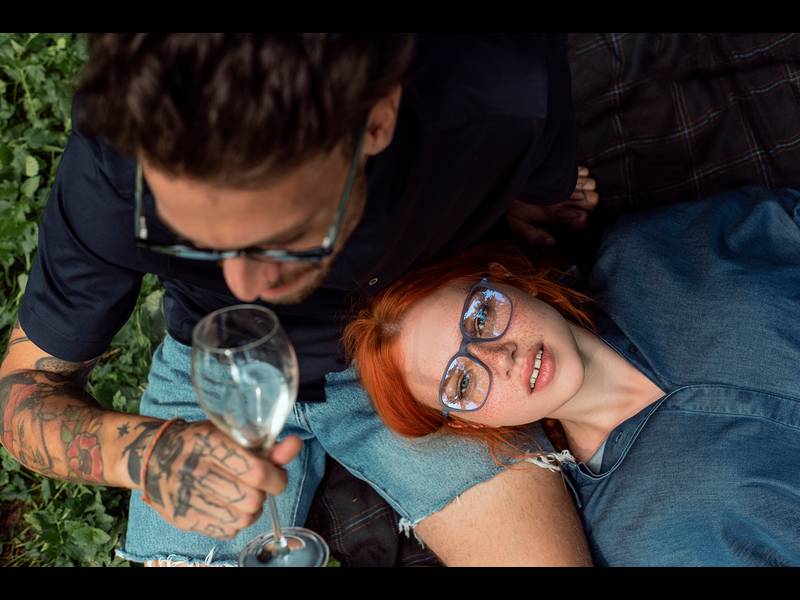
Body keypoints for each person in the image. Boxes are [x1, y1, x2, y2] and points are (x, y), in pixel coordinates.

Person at [0, 34, 598, 566]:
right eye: (199, 243)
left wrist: (525, 193)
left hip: (413, 345)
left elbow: (536, 190)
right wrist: (145, 454)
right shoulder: (115, 169)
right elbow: (24, 391)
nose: (243, 287)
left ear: (376, 121)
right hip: (214, 367)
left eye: (282, 242)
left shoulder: (501, 89)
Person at [343, 185, 800, 566]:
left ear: (504, 279)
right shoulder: (632, 537)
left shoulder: (647, 252)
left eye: (481, 318)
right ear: (466, 424)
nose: (500, 358)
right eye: (462, 383)